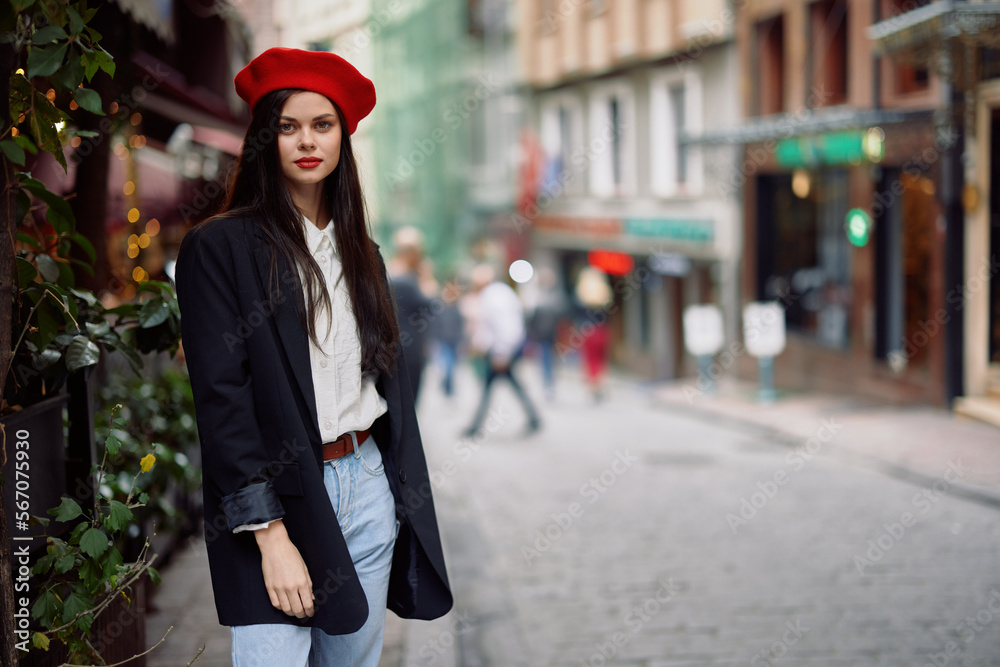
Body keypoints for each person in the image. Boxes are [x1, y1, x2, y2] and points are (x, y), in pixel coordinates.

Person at [174, 47, 452, 667]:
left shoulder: (364, 255)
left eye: (322, 125)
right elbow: (222, 399)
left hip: (366, 483)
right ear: (264, 139)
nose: (306, 141)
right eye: (287, 126)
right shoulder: (218, 248)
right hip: (273, 498)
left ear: (341, 139)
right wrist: (268, 535)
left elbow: (386, 386)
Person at [462, 265, 541, 437]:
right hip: (501, 350)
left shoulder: (494, 296)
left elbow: (507, 327)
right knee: (506, 385)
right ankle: (534, 418)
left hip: (502, 351)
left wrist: (502, 353)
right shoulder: (495, 294)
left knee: (489, 387)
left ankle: (475, 427)